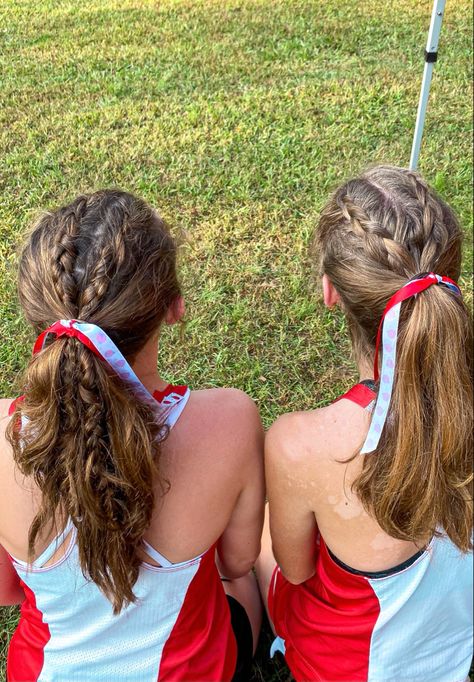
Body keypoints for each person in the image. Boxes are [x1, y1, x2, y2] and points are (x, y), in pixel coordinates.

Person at [0, 190, 264, 682]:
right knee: (244, 582)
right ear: (174, 306)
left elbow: (8, 592)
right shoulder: (230, 422)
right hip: (193, 668)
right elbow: (237, 560)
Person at [256, 165, 473, 682]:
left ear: (331, 292)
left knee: (263, 526)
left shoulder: (302, 445)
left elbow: (296, 571)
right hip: (456, 645)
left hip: (349, 667)